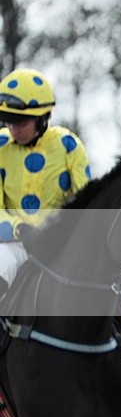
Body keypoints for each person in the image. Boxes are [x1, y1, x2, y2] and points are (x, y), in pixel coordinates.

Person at [0, 68, 91, 297]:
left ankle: (119, 331)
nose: (13, 129)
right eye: (9, 121)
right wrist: (20, 229)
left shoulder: (68, 145)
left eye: (20, 122)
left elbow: (88, 202)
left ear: (41, 118)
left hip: (60, 245)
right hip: (15, 244)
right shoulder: (1, 146)